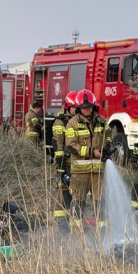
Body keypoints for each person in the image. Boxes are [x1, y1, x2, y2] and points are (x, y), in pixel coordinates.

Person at [64, 89, 108, 219]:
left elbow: (108, 137)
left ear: (93, 106)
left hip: (98, 173)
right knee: (78, 203)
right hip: (80, 173)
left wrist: (107, 148)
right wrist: (91, 152)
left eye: (89, 107)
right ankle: (76, 235)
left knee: (100, 203)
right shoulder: (72, 124)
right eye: (83, 108)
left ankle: (102, 232)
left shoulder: (102, 121)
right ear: (78, 108)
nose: (86, 110)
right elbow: (71, 146)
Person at [51, 90, 78, 222]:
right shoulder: (60, 122)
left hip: (73, 163)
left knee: (72, 191)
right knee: (62, 190)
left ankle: (69, 216)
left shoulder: (75, 120)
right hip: (63, 162)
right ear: (68, 107)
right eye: (74, 108)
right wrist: (60, 168)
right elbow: (58, 144)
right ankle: (60, 222)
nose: (76, 110)